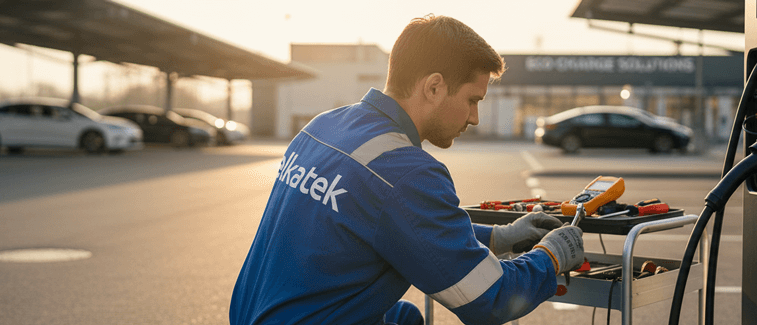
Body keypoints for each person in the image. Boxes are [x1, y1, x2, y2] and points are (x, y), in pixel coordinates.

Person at [229, 14, 586, 325]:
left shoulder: (322, 127)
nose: (475, 117)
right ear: (434, 87)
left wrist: (499, 237)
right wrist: (550, 255)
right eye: (472, 100)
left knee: (405, 316)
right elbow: (490, 299)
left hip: (253, 315)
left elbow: (389, 221)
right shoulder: (405, 173)